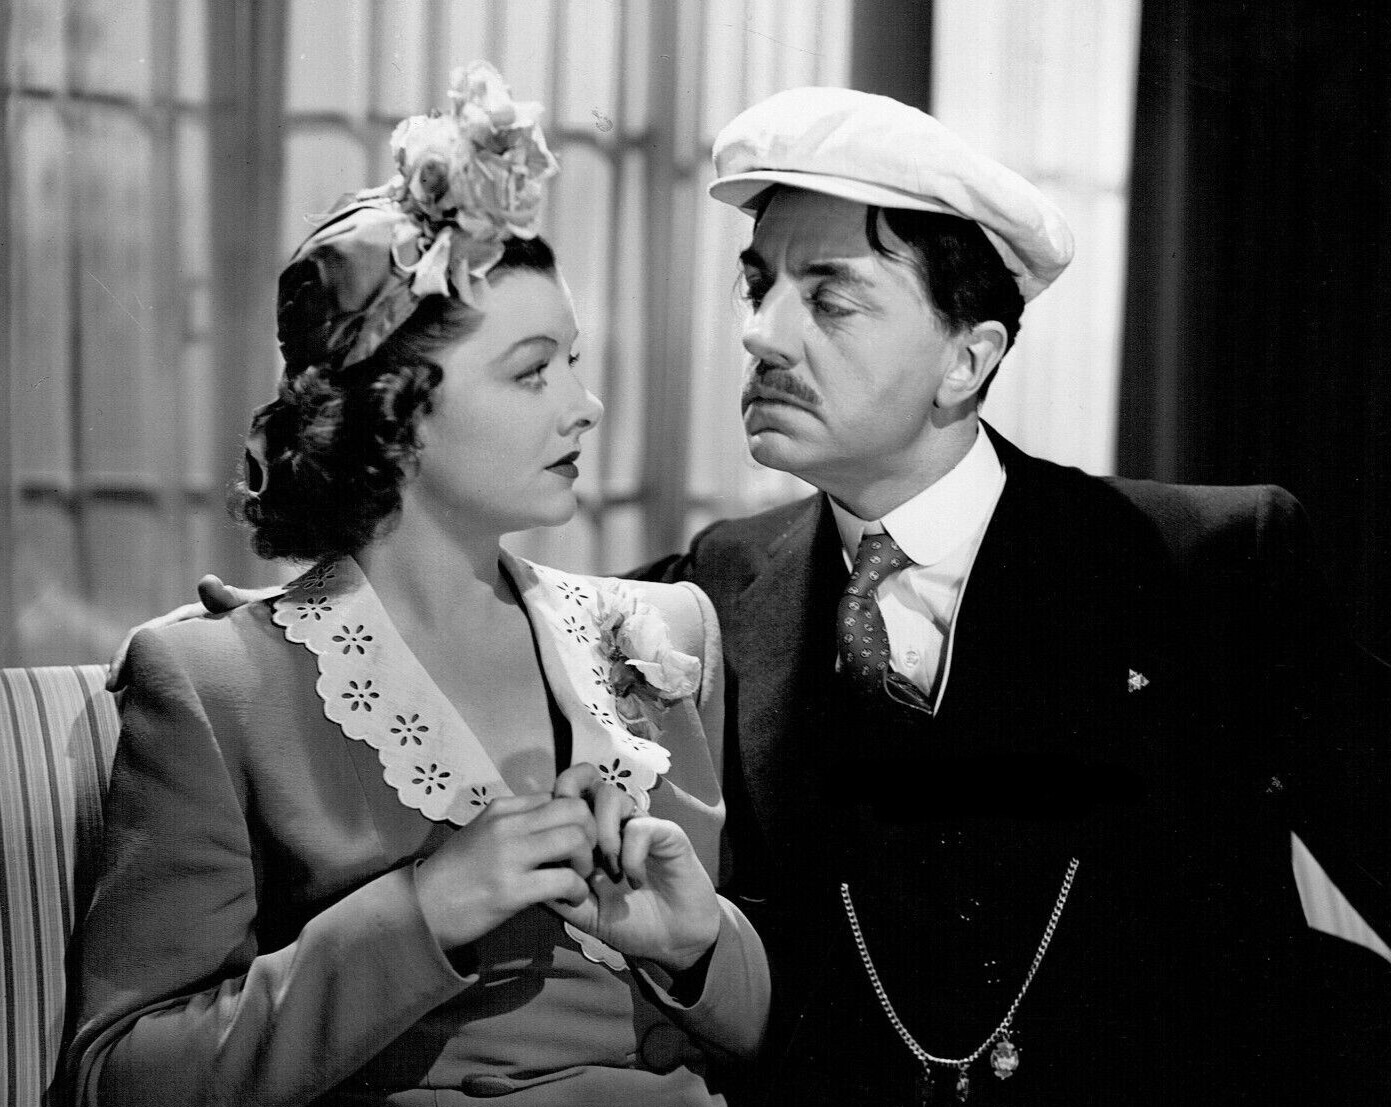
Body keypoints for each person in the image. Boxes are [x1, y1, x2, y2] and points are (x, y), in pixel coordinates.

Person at [115, 87, 1391, 1104]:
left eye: (828, 296)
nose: (762, 334)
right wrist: (272, 640)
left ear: (967, 361)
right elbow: (437, 619)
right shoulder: (712, 594)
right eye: (756, 284)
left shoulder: (1208, 563)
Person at [65, 63, 767, 1107]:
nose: (584, 406)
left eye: (574, 363)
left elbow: (763, 1032)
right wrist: (422, 910)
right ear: (395, 412)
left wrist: (700, 943)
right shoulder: (214, 683)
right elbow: (120, 1078)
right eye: (532, 371)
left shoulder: (659, 632)